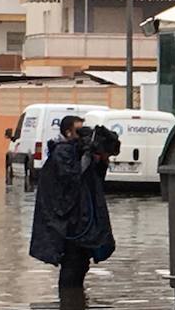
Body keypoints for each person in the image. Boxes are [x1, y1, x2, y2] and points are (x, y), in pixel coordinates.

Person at [29, 115, 118, 288]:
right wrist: (85, 154)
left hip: (85, 221)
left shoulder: (80, 151)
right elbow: (71, 178)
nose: (82, 135)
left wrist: (100, 157)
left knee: (82, 263)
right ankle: (69, 307)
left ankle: (75, 305)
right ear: (68, 132)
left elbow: (95, 179)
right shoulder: (62, 152)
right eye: (79, 131)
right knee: (72, 263)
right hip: (70, 223)